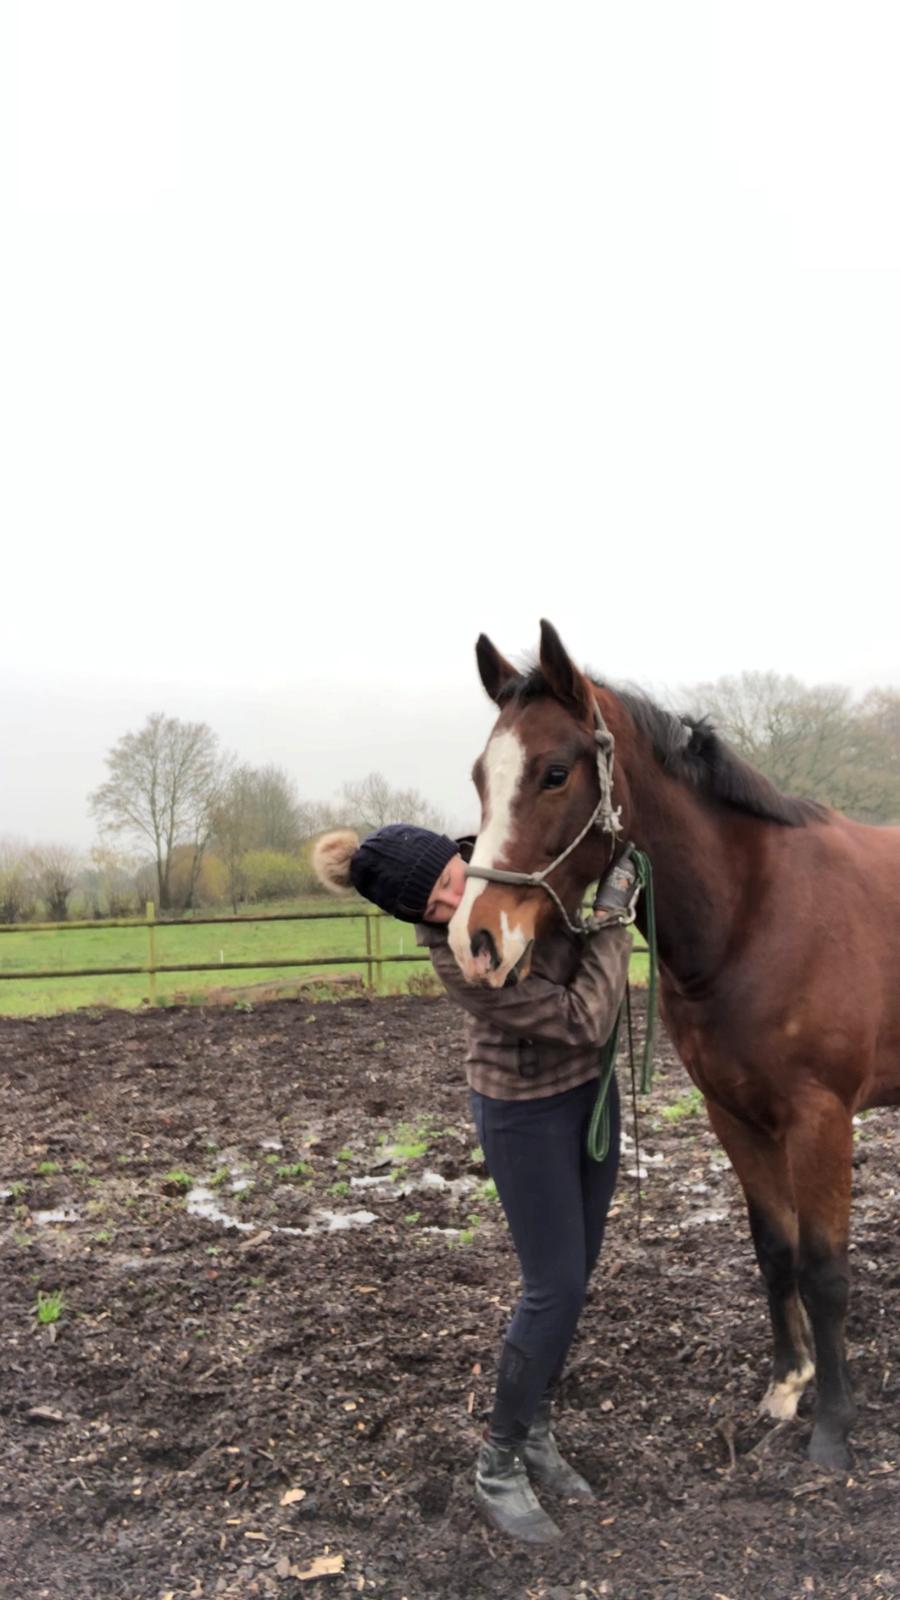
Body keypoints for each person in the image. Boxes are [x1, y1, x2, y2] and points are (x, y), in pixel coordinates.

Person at [312, 824, 636, 1545]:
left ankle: (537, 1431)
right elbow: (585, 1018)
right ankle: (498, 1462)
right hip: (524, 1114)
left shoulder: (514, 860)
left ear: (462, 856)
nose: (451, 905)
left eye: (449, 882)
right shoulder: (459, 956)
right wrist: (614, 921)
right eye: (431, 907)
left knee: (577, 1277)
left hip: (591, 1095)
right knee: (552, 1286)